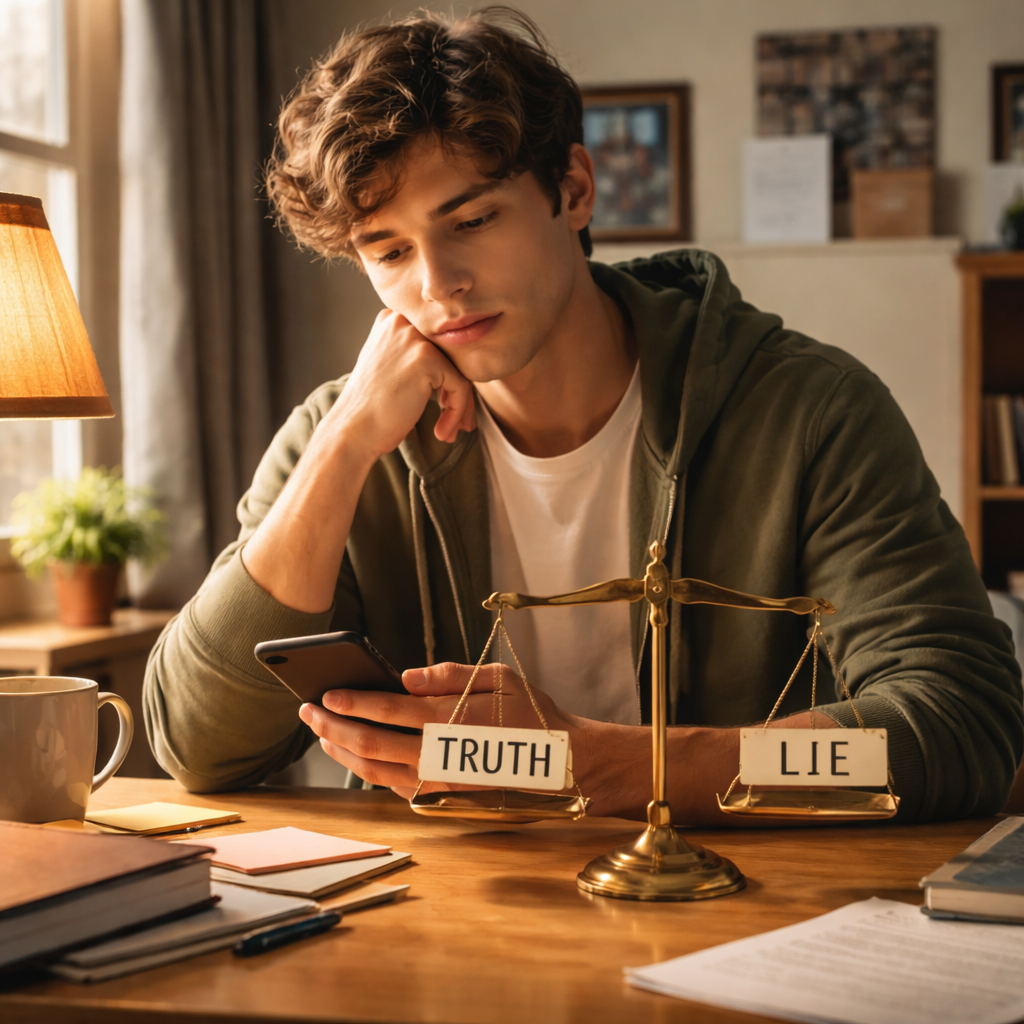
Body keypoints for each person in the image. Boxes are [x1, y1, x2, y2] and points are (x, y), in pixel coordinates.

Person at [143, 7, 1022, 824]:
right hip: (447, 912)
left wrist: (615, 768)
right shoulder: (343, 435)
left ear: (573, 188)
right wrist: (341, 445)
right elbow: (196, 747)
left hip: (747, 905)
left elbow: (964, 721)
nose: (438, 285)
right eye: (390, 250)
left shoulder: (810, 411)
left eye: (471, 220)